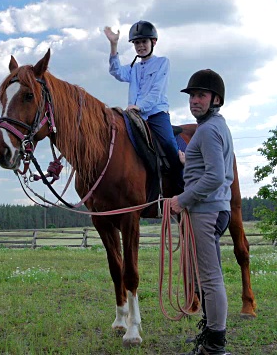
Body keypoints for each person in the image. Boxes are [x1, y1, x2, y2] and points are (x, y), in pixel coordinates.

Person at [170, 69, 233, 355]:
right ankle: (210, 337)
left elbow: (216, 176)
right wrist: (188, 162)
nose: (195, 101)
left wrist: (183, 199)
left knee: (209, 278)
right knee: (208, 277)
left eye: (201, 95)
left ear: (215, 99)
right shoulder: (216, 127)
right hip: (213, 208)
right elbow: (207, 169)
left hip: (205, 211)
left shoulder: (207, 130)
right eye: (193, 96)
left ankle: (215, 347)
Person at [104, 20, 183, 190]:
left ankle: (182, 184)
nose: (140, 46)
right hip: (134, 117)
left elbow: (156, 92)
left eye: (144, 42)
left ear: (153, 42)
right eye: (137, 43)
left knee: (169, 144)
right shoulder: (134, 68)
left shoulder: (163, 62)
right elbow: (116, 71)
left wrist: (139, 106)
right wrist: (113, 44)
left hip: (156, 114)